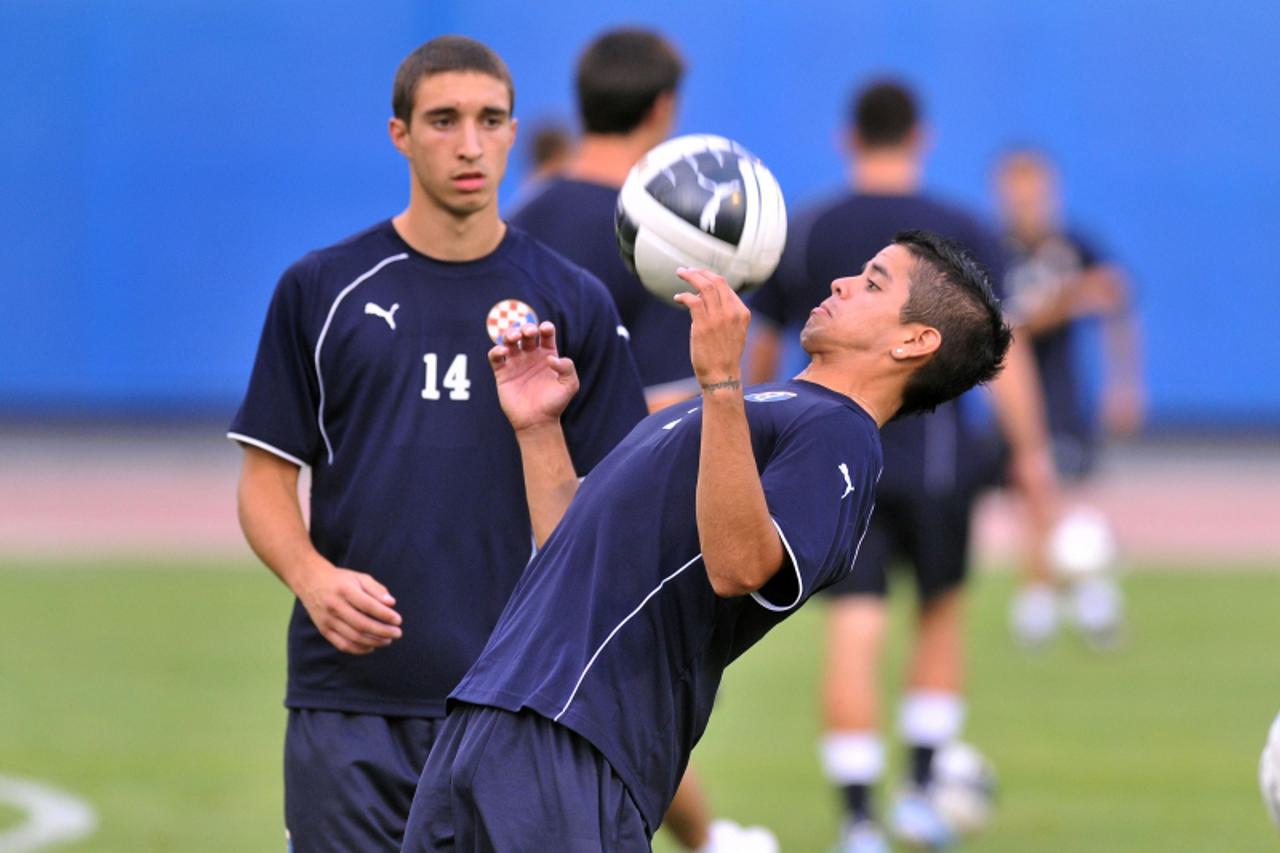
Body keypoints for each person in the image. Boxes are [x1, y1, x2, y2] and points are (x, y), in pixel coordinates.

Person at [399, 231, 1014, 851]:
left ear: (915, 341)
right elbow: (572, 546)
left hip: (577, 735)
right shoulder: (759, 405)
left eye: (873, 282)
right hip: (487, 715)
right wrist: (538, 428)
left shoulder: (839, 434)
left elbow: (740, 566)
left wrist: (721, 380)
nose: (841, 283)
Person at [227, 36, 647, 851]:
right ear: (400, 134)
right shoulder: (321, 289)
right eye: (444, 119)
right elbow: (264, 480)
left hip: (520, 701)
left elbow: (612, 512)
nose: (469, 143)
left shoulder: (574, 302)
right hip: (350, 704)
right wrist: (311, 578)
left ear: (514, 133)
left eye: (490, 121)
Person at [744, 81, 1056, 851]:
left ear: (849, 137)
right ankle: (920, 788)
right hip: (940, 456)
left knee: (855, 627)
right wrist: (1032, 454)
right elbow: (1005, 353)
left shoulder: (810, 227)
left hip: (832, 451)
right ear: (921, 137)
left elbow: (764, 350)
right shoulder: (958, 230)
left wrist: (745, 436)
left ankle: (857, 819)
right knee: (941, 613)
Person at [508, 28, 773, 853]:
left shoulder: (527, 217)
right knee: (626, 696)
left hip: (521, 482)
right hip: (629, 493)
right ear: (664, 106)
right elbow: (671, 389)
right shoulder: (674, 224)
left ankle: (704, 838)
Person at [993, 147, 1144, 649]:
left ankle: (1076, 593)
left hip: (1064, 390)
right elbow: (1010, 322)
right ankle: (1050, 594)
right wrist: (1060, 304)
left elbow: (1115, 293)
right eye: (1016, 193)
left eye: (1033, 192)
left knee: (1066, 490)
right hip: (1015, 389)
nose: (1025, 203)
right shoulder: (994, 251)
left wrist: (1124, 382)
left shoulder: (1074, 244)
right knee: (1031, 488)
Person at [510, 28, 698, 411]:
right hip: (611, 468)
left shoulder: (517, 218)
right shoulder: (665, 239)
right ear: (661, 107)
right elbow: (666, 410)